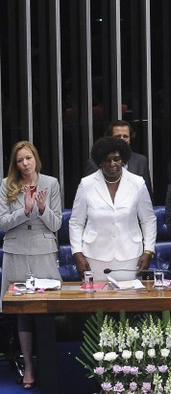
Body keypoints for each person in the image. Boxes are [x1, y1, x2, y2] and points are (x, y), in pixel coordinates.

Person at [0, 141, 62, 389]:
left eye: (28, 158)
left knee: (45, 311)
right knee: (22, 311)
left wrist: (42, 208)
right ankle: (28, 366)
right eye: (19, 160)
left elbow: (56, 224)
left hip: (43, 250)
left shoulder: (51, 183)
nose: (24, 164)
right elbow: (3, 224)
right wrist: (24, 211)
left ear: (35, 158)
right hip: (16, 250)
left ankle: (48, 366)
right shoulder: (7, 185)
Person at [69, 136, 157, 281]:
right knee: (97, 301)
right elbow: (76, 222)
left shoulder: (137, 183)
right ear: (99, 162)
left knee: (129, 300)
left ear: (123, 160)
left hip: (130, 256)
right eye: (107, 160)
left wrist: (148, 251)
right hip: (95, 257)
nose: (112, 164)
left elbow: (148, 220)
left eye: (116, 159)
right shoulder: (87, 184)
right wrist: (77, 254)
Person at [85, 120, 153, 198]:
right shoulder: (94, 163)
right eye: (117, 136)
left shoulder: (141, 161)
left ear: (130, 139)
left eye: (125, 136)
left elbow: (147, 195)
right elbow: (88, 195)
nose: (122, 139)